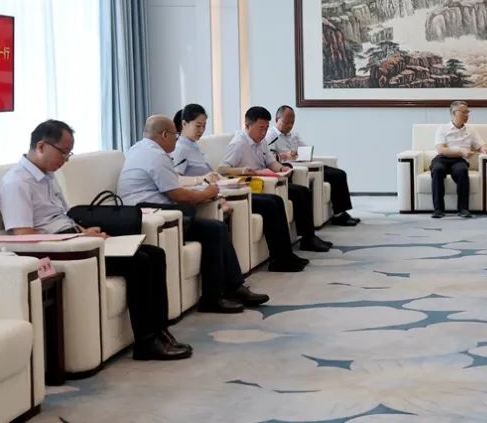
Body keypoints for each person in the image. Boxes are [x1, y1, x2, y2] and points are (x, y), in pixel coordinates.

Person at [0, 120, 191, 360]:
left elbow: (63, 217)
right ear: (41, 146)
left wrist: (86, 232)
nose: (66, 159)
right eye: (63, 152)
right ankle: (146, 342)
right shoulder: (17, 182)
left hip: (75, 239)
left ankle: (161, 332)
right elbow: (23, 236)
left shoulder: (48, 176)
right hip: (63, 251)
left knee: (154, 253)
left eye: (69, 153)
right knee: (139, 262)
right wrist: (77, 237)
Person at [117, 115, 269, 313]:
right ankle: (215, 297)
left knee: (216, 228)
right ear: (164, 134)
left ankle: (232, 287)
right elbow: (177, 194)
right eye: (175, 135)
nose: (177, 139)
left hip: (150, 210)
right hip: (152, 214)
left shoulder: (138, 148)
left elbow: (172, 186)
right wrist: (206, 193)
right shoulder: (156, 155)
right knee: (214, 229)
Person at [174, 104, 310, 273]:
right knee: (270, 204)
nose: (201, 130)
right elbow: (183, 178)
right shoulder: (182, 148)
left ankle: (285, 255)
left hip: (223, 189)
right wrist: (232, 173)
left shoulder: (195, 146)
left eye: (204, 126)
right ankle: (280, 259)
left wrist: (281, 168)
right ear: (184, 124)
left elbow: (268, 161)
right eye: (198, 126)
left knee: (276, 200)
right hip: (218, 193)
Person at [223, 106, 332, 253]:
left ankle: (308, 238)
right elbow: (222, 169)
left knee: (303, 192)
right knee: (286, 198)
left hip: (268, 180)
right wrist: (243, 171)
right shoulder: (239, 144)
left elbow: (270, 162)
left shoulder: (261, 141)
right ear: (247, 125)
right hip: (254, 184)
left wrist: (281, 169)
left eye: (266, 128)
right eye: (260, 128)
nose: (264, 133)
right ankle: (290, 250)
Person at [266, 105, 359, 226]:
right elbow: (269, 157)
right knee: (335, 176)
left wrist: (302, 153)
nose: (289, 125)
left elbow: (306, 149)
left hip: (305, 164)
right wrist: (285, 155)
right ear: (277, 119)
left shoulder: (294, 134)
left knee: (340, 174)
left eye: (292, 122)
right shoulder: (270, 135)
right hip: (292, 167)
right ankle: (339, 216)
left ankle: (341, 212)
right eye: (286, 122)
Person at [431, 101, 487, 219]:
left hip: (459, 161)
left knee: (462, 171)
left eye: (467, 112)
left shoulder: (471, 129)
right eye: (464, 112)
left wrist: (484, 148)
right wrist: (461, 152)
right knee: (437, 170)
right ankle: (438, 210)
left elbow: (480, 144)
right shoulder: (442, 129)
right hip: (442, 159)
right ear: (454, 113)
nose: (467, 115)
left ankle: (463, 209)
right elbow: (441, 150)